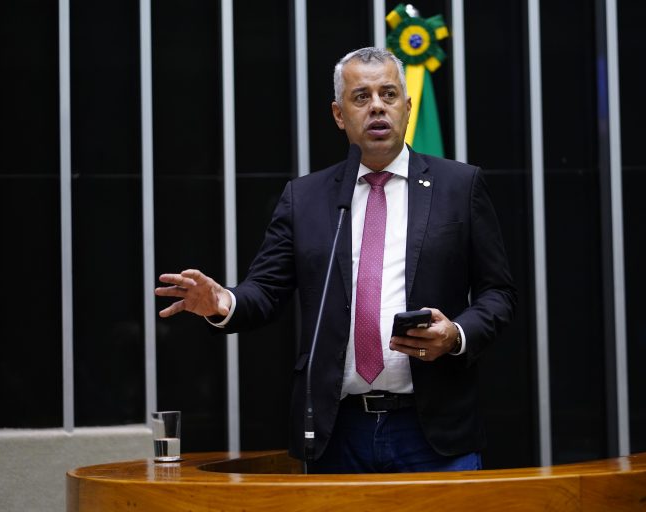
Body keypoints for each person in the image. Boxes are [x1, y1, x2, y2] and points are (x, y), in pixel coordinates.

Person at [155, 47, 516, 473]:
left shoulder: (459, 185)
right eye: (361, 97)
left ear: (407, 106)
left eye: (388, 94)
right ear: (339, 114)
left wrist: (455, 334)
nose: (377, 106)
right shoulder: (306, 198)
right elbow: (266, 292)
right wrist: (223, 302)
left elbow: (498, 293)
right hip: (337, 430)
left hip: (434, 430)